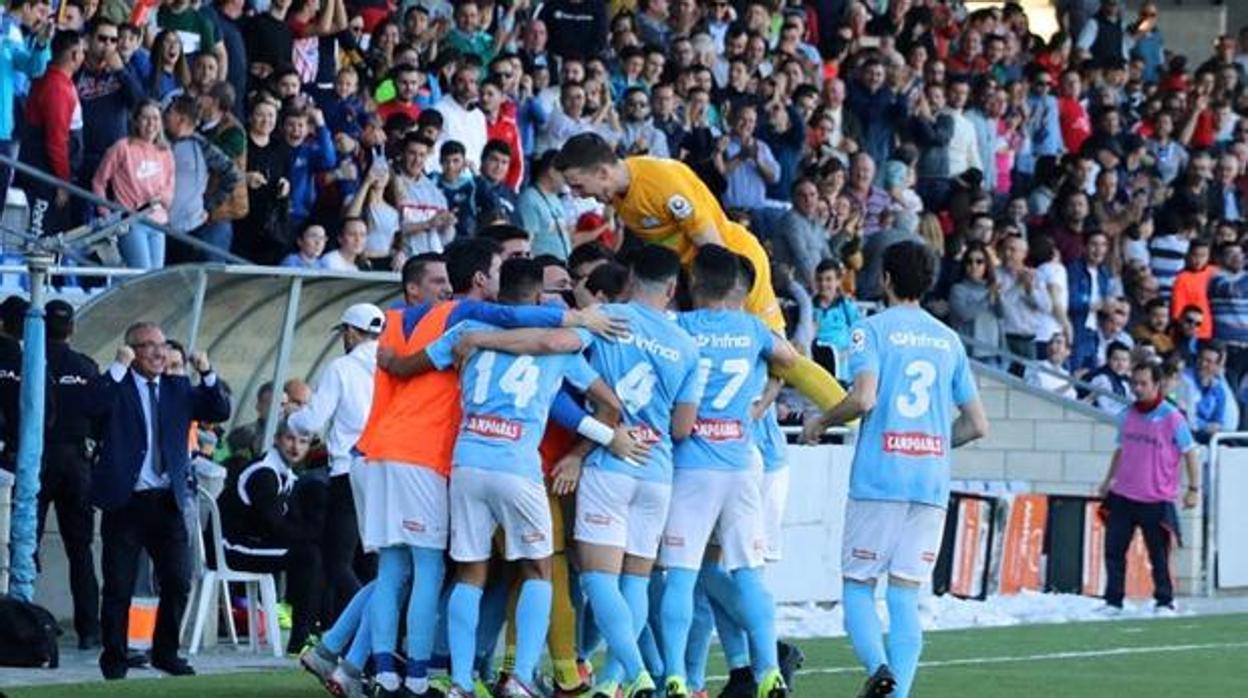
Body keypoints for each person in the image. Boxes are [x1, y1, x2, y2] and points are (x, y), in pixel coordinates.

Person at [459, 244, 702, 698]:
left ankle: (638, 676)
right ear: (672, 289)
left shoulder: (610, 320)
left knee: (597, 579)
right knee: (635, 579)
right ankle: (613, 680)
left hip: (609, 464)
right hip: (656, 468)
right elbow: (682, 426)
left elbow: (550, 348)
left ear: (628, 280)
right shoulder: (687, 345)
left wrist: (482, 339)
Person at [426, 258, 622, 697]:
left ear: (498, 294)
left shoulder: (466, 331)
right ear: (538, 298)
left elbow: (423, 363)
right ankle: (521, 677)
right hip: (517, 466)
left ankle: (458, 682)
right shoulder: (564, 345)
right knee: (538, 570)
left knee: (470, 573)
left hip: (467, 461)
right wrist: (604, 439)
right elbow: (609, 403)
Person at [802, 240, 989, 698]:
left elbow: (864, 398)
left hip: (879, 478)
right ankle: (897, 694)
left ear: (884, 279)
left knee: (859, 587)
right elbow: (977, 424)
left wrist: (821, 421)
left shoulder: (871, 330)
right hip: (929, 484)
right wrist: (933, 443)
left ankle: (878, 668)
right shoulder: (948, 340)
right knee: (905, 598)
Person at [554, 132, 846, 414]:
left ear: (602, 172)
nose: (581, 196)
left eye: (579, 186)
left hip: (735, 263)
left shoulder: (660, 184)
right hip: (698, 277)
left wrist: (730, 303)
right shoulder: (620, 197)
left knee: (780, 356)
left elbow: (713, 246)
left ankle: (848, 412)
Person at [659, 246, 798, 698]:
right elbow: (791, 358)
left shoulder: (680, 327)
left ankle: (677, 676)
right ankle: (769, 671)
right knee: (748, 573)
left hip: (693, 467)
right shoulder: (752, 328)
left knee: (681, 575)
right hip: (741, 465)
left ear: (693, 283)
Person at [86, 321, 230, 680]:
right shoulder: (117, 385)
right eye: (147, 345)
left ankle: (166, 653)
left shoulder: (176, 387)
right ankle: (114, 660)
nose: (157, 352)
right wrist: (117, 367)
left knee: (178, 581)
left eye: (161, 345)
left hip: (167, 501)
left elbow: (219, 409)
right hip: (127, 501)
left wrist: (206, 371)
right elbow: (92, 408)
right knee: (118, 587)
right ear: (131, 351)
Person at [288, 303, 385, 618]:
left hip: (348, 470)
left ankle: (371, 618)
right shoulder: (392, 365)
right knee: (371, 560)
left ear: (351, 332)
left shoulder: (341, 368)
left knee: (336, 561)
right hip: (385, 470)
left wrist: (292, 419)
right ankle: (374, 639)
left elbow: (313, 420)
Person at [1097, 361, 1200, 616]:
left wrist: (1193, 488)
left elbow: (1190, 453)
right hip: (1124, 495)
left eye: (1144, 384)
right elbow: (1120, 450)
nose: (1138, 389)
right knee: (1114, 551)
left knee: (1159, 555)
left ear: (1157, 385)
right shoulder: (1127, 415)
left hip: (1156, 499)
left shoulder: (1172, 417)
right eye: (1135, 383)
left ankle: (1164, 600)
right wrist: (1108, 480)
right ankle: (1113, 600)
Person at [217, 417, 325, 654]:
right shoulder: (264, 473)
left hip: (251, 542)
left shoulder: (285, 473)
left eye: (303, 441)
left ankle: (310, 628)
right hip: (232, 547)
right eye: (289, 439)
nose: (295, 447)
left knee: (312, 552)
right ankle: (301, 637)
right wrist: (310, 538)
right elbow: (273, 525)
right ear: (276, 440)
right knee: (308, 555)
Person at [36, 300, 101, 650]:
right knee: (81, 551)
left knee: (24, 546)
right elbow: (101, 414)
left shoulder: (31, 363)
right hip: (77, 465)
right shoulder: (86, 367)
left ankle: (25, 622)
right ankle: (89, 630)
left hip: (38, 460)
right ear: (72, 329)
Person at [91, 99, 175, 268]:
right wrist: (106, 215)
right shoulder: (122, 147)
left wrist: (163, 198)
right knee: (142, 275)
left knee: (156, 276)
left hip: (158, 222)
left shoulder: (165, 151)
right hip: (131, 222)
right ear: (136, 121)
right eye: (145, 118)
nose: (151, 124)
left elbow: (170, 186)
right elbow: (99, 181)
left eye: (156, 118)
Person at [18, 29, 83, 238]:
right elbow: (56, 140)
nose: (83, 56)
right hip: (46, 179)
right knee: (43, 240)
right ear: (74, 54)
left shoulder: (58, 81)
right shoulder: (57, 87)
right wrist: (61, 181)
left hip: (49, 174)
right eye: (81, 51)